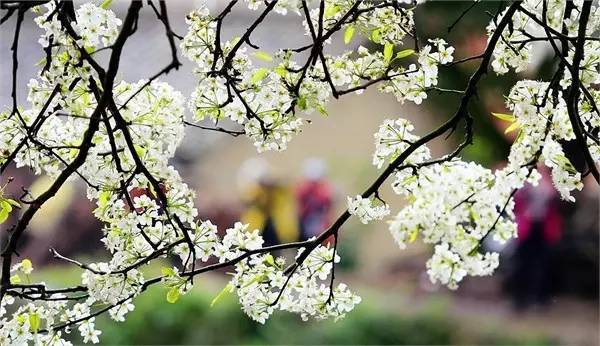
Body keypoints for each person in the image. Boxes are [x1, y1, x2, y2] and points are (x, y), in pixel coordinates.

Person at [510, 166, 561, 309]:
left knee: (543, 264)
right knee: (522, 263)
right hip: (527, 227)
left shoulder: (550, 183)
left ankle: (541, 298)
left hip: (543, 228)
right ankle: (520, 298)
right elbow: (516, 199)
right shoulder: (525, 182)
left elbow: (555, 200)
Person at [238, 158, 299, 247]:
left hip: (276, 229)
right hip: (257, 230)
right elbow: (248, 199)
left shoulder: (277, 191)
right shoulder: (255, 193)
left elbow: (288, 188)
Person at [295, 159, 333, 242]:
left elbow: (328, 208)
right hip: (304, 228)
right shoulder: (303, 190)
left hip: (320, 228)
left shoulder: (325, 192)